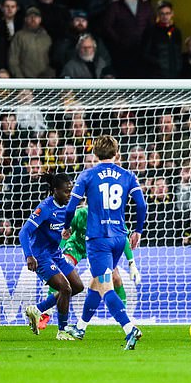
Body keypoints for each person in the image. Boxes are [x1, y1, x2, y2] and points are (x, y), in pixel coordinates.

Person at [63, 135, 147, 350]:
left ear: (94, 154)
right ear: (116, 153)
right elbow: (141, 205)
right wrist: (137, 230)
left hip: (98, 239)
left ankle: (129, 328)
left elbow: (71, 207)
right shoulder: (128, 175)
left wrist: (66, 226)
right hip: (119, 237)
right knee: (96, 282)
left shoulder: (87, 175)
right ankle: (80, 327)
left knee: (105, 285)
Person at [38, 204, 141, 334]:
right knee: (61, 272)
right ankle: (46, 313)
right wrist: (55, 255)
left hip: (100, 250)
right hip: (77, 246)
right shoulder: (81, 214)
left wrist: (131, 262)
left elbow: (124, 239)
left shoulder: (113, 217)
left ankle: (124, 318)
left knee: (115, 279)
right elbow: (65, 233)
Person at [20, 173, 84, 340]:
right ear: (55, 191)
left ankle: (37, 309)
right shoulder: (46, 208)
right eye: (65, 191)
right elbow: (24, 232)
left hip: (55, 253)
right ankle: (62, 331)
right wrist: (29, 256)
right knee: (65, 288)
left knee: (77, 287)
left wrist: (67, 228)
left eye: (71, 190)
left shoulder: (69, 206)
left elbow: (67, 220)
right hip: (40, 256)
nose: (69, 194)